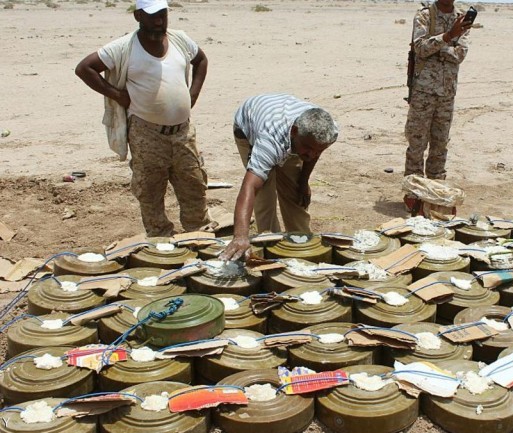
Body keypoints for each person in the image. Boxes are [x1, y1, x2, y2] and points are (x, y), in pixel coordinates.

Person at [75, 0, 210, 237]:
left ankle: (198, 237)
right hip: (146, 134)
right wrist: (117, 95)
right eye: (152, 16)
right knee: (150, 193)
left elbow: (201, 60)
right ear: (138, 16)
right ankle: (161, 244)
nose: (158, 21)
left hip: (183, 133)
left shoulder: (180, 39)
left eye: (163, 15)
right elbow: (84, 68)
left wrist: (193, 94)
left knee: (194, 187)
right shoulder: (124, 47)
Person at [219, 94, 339, 262]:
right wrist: (240, 236)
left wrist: (303, 181)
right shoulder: (270, 142)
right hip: (249, 126)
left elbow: (313, 150)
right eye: (308, 148)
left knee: (295, 192)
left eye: (318, 150)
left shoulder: (329, 130)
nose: (312, 155)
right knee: (264, 195)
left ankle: (302, 245)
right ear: (295, 132)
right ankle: (270, 247)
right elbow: (250, 187)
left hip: (284, 126)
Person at [403, 0, 472, 208]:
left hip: (447, 92)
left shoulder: (462, 19)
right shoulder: (425, 16)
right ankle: (414, 192)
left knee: (440, 144)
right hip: (423, 91)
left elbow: (460, 54)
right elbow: (420, 49)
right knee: (417, 142)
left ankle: (435, 192)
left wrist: (439, 46)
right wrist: (448, 37)